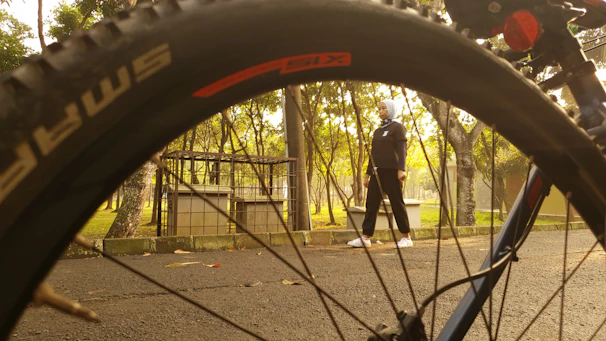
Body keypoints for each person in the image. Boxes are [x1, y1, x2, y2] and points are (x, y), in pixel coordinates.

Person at [347, 99, 413, 249]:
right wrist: (367, 175)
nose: (380, 111)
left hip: (392, 172)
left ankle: (406, 237)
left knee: (397, 203)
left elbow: (402, 150)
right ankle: (365, 237)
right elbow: (373, 155)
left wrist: (401, 169)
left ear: (391, 109)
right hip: (377, 173)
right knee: (371, 204)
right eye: (379, 109)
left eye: (384, 108)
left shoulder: (398, 127)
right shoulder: (378, 131)